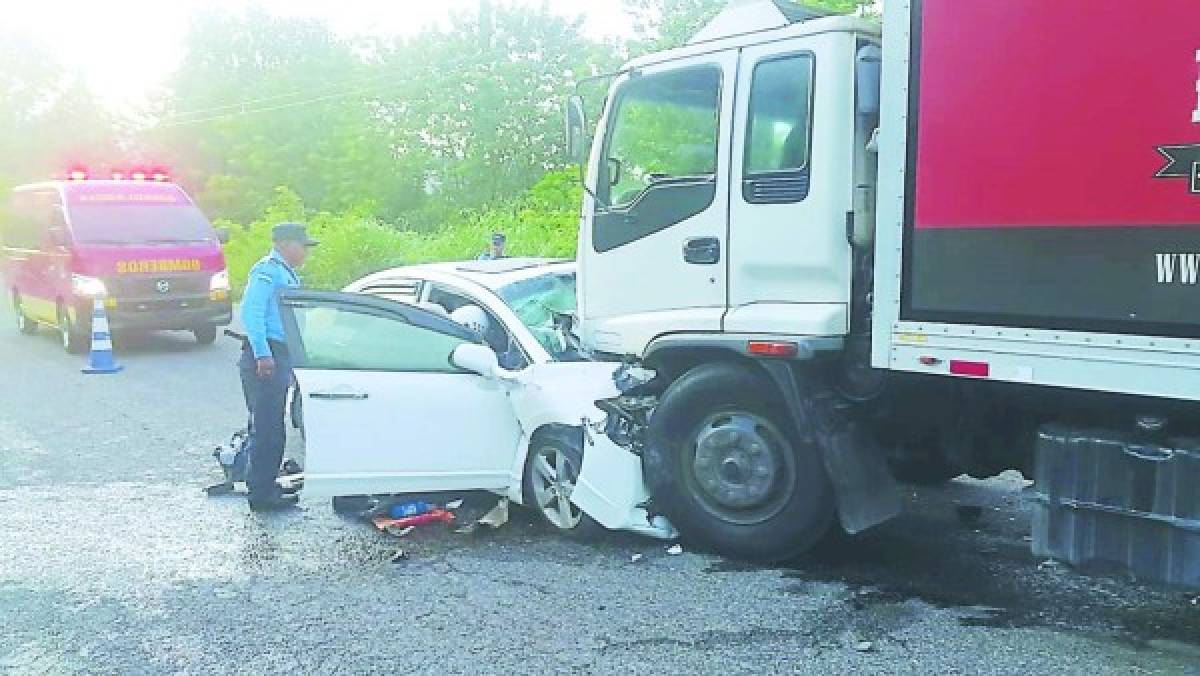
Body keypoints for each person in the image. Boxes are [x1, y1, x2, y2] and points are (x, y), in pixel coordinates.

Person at [239, 222, 318, 511]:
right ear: (286, 244)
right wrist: (263, 355)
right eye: (302, 246)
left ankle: (266, 484)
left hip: (278, 354)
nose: (305, 253)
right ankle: (260, 494)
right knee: (267, 426)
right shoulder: (267, 271)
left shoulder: (285, 272)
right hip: (267, 356)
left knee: (271, 424)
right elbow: (252, 313)